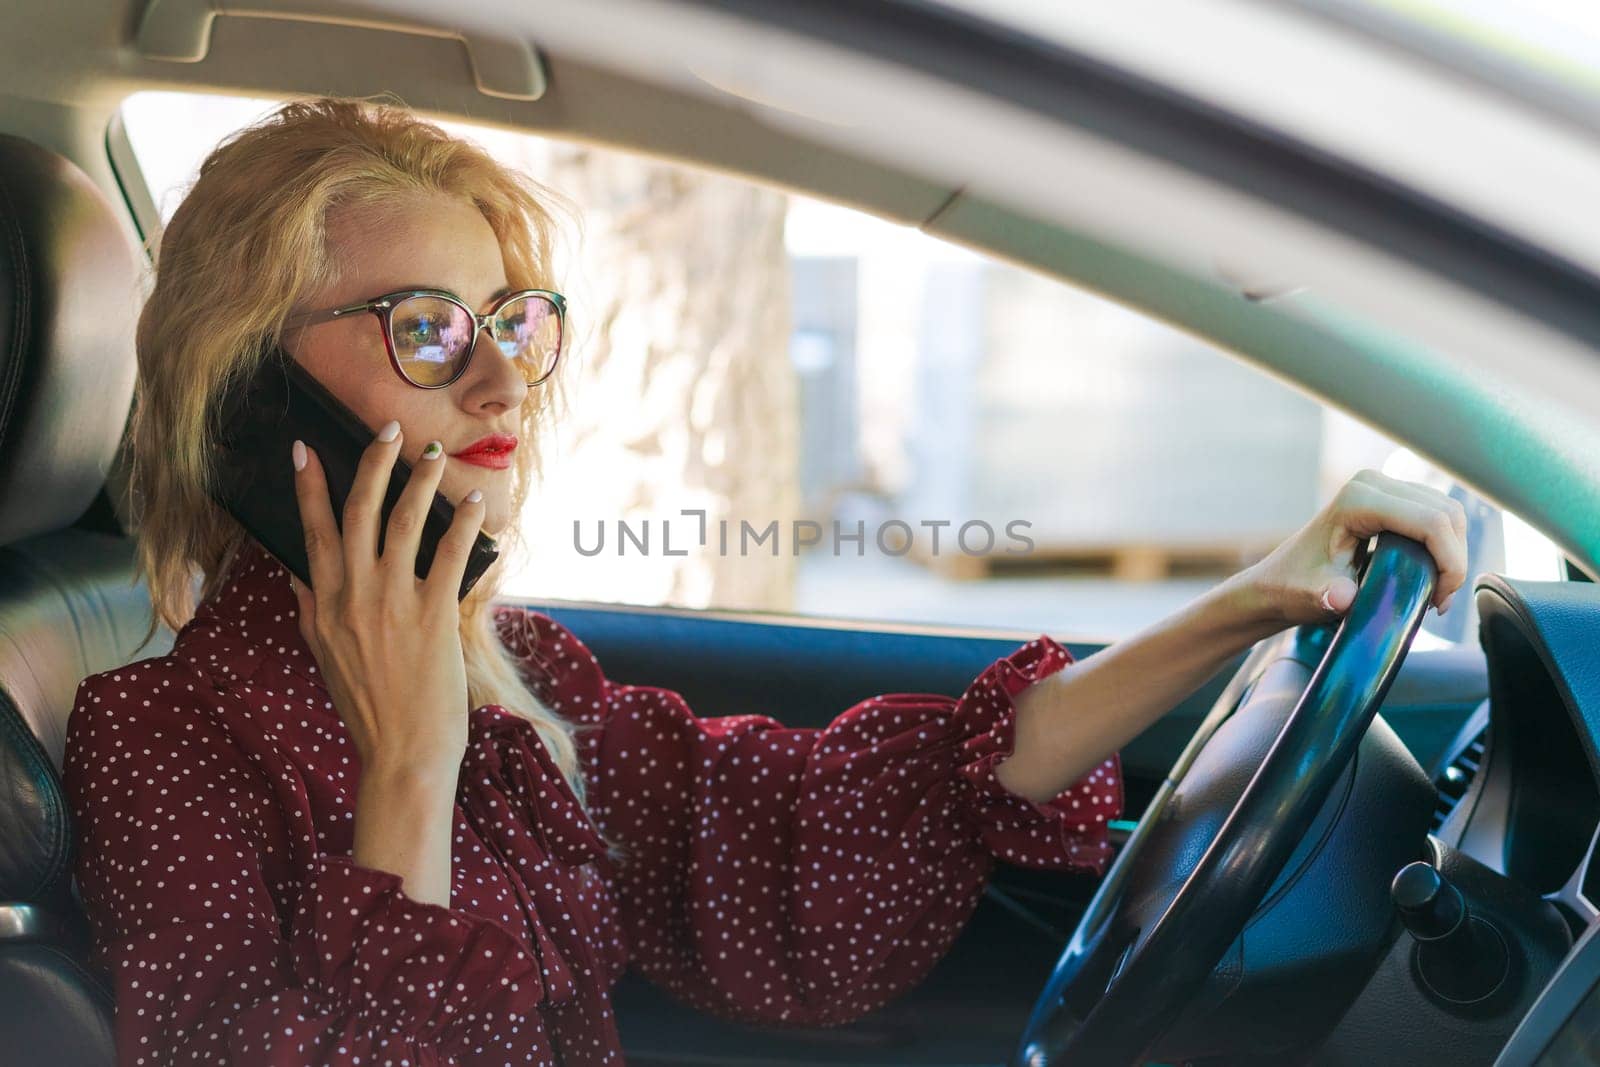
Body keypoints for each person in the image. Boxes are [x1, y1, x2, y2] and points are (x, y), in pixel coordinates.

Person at [61, 96, 1469, 1067]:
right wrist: (407, 776)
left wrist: (1262, 600)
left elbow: (795, 829)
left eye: (510, 318)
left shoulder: (525, 676)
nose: (500, 377)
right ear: (256, 392)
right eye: (424, 329)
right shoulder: (162, 740)